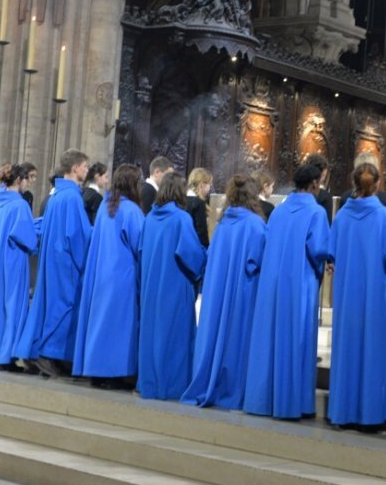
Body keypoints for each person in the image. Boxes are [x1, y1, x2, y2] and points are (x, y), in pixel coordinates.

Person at [243, 156, 332, 420]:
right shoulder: (316, 212)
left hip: (272, 284)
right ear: (315, 184)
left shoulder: (279, 209)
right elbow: (318, 249)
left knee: (271, 339)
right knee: (297, 339)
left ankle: (265, 399)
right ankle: (292, 403)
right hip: (300, 284)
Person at [327, 162, 386, 432]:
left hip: (346, 295)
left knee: (347, 349)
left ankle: (343, 411)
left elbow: (331, 255)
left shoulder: (341, 218)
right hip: (375, 295)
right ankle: (372, 415)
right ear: (377, 185)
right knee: (374, 351)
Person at [181, 175, 267, 409]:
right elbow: (256, 261)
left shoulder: (223, 223)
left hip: (217, 292)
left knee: (215, 335)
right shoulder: (255, 225)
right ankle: (230, 389)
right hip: (241, 292)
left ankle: (209, 382)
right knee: (235, 339)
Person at [15, 150, 92, 376]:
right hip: (66, 263)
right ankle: (48, 355)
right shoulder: (72, 197)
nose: (87, 171)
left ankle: (42, 353)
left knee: (47, 306)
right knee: (62, 308)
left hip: (53, 261)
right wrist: (87, 258)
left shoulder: (57, 194)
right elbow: (77, 235)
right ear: (75, 168)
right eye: (85, 166)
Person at [137, 172, 207, 400]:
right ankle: (172, 387)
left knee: (153, 336)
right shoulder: (181, 219)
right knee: (175, 339)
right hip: (174, 287)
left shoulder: (149, 218)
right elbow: (191, 255)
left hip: (151, 287)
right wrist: (206, 259)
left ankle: (150, 385)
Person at [74, 164, 144, 386]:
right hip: (122, 276)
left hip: (101, 273)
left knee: (100, 324)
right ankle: (114, 373)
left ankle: (96, 369)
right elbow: (140, 245)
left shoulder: (106, 207)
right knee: (119, 327)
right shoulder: (132, 210)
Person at [0, 164, 39, 369]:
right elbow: (25, 236)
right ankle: (5, 357)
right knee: (12, 307)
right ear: (19, 180)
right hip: (13, 261)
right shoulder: (19, 205)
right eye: (27, 179)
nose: (29, 183)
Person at [185, 167, 214, 247]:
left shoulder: (181, 199)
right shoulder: (199, 203)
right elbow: (202, 233)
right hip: (194, 248)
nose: (210, 187)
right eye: (209, 184)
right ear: (202, 185)